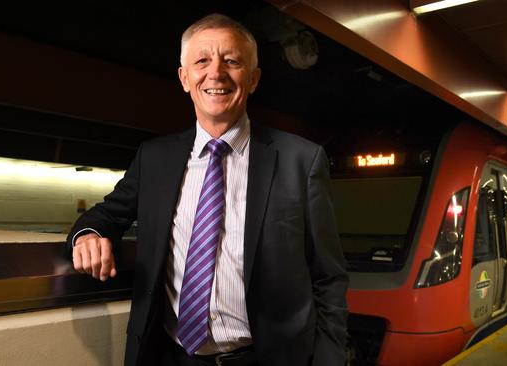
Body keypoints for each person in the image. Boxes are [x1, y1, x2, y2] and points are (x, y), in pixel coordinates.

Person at [67, 13, 348, 366]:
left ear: (254, 78)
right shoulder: (155, 158)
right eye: (202, 61)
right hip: (172, 356)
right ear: (185, 78)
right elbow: (107, 214)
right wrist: (88, 235)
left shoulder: (301, 161)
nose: (215, 72)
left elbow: (328, 277)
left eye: (232, 61)